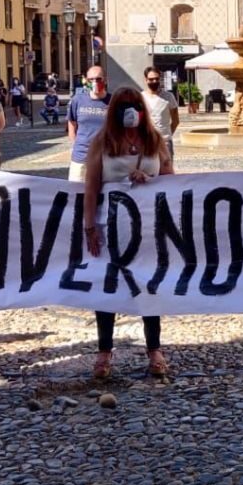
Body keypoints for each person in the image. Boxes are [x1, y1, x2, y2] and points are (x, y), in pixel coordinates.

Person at [83, 87, 173, 379]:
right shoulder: (103, 141)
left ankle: (154, 348)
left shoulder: (154, 139)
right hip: (111, 224)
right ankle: (104, 351)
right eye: (123, 106)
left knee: (149, 285)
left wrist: (150, 179)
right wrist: (89, 226)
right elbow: (91, 186)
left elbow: (171, 178)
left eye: (135, 105)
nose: (130, 110)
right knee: (107, 286)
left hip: (148, 225)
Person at [67, 66, 111, 183]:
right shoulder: (78, 100)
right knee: (76, 193)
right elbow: (71, 123)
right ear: (86, 81)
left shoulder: (113, 101)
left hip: (106, 158)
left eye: (98, 79)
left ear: (105, 80)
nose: (95, 82)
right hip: (81, 157)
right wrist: (74, 143)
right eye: (91, 79)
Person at [141, 67, 180, 158]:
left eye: (157, 79)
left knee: (167, 171)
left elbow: (176, 121)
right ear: (146, 80)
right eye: (151, 79)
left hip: (165, 143)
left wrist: (166, 135)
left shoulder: (169, 97)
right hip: (147, 142)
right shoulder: (140, 97)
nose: (154, 81)